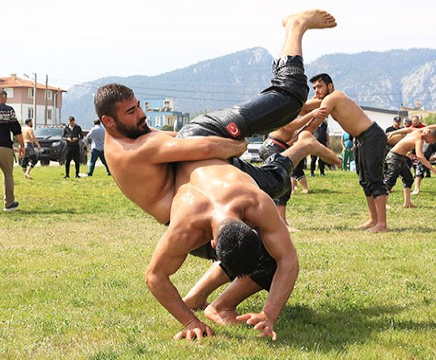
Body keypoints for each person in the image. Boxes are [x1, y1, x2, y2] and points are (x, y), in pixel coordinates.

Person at [95, 9, 338, 339]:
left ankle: (294, 29)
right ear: (109, 122)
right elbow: (203, 146)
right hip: (209, 149)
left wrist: (235, 142)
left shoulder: (138, 139)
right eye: (132, 111)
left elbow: (202, 145)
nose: (142, 115)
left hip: (211, 153)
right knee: (286, 126)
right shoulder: (139, 151)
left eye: (139, 106)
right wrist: (235, 146)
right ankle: (295, 33)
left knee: (283, 139)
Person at [147, 131, 331, 342]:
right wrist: (190, 322)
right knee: (268, 256)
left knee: (276, 184)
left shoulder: (257, 200)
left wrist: (269, 313)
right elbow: (154, 277)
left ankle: (197, 299)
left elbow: (288, 259)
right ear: (213, 245)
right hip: (190, 147)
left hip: (211, 146)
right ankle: (212, 304)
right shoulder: (185, 228)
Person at [304, 73, 389, 232]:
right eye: (314, 87)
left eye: (319, 86)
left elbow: (315, 122)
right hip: (361, 138)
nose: (316, 90)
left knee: (375, 179)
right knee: (364, 180)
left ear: (330, 86)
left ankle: (382, 224)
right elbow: (303, 108)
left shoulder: (333, 97)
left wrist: (298, 137)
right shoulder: (325, 100)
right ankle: (373, 220)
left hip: (372, 135)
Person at [384, 128, 436, 208]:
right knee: (390, 180)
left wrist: (394, 132)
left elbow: (407, 129)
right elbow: (420, 156)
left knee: (408, 178)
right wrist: (432, 168)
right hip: (394, 157)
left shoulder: (417, 131)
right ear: (430, 136)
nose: (432, 142)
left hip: (401, 157)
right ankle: (382, 204)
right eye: (433, 140)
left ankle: (407, 203)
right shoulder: (419, 140)